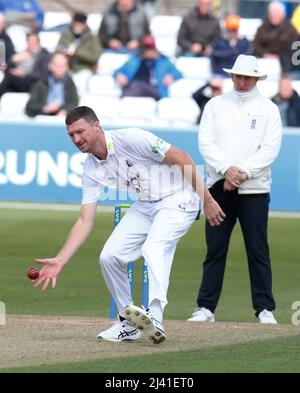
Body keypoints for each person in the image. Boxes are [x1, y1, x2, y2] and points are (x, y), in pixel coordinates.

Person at [32, 105, 225, 344]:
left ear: (96, 126)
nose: (76, 139)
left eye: (80, 132)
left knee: (153, 247)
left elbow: (183, 158)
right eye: (71, 135)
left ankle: (155, 315)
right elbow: (85, 220)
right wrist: (61, 259)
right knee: (109, 256)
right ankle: (128, 323)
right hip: (146, 204)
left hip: (179, 198)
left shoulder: (132, 138)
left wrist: (207, 200)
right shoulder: (90, 169)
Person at [187, 54, 282, 324]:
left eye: (247, 77)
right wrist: (227, 170)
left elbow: (270, 149)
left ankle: (264, 308)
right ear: (231, 76)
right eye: (238, 76)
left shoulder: (268, 109)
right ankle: (205, 307)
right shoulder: (216, 105)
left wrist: (241, 173)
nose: (242, 82)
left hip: (254, 190)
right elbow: (205, 143)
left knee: (257, 249)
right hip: (218, 187)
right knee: (215, 248)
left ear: (256, 79)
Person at [114, 35, 182, 100]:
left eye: (151, 48)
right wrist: (120, 76)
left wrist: (171, 76)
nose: (149, 51)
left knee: (137, 85)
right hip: (136, 90)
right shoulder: (135, 60)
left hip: (156, 90)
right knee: (136, 85)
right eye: (146, 49)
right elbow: (117, 72)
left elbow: (178, 73)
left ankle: (125, 98)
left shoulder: (163, 61)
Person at [25, 52, 79, 118]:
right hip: (44, 118)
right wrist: (45, 108)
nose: (62, 69)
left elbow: (74, 102)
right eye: (59, 66)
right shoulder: (41, 82)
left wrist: (65, 111)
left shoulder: (69, 83)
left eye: (64, 66)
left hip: (63, 118)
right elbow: (30, 106)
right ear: (51, 66)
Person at [0, 31, 50, 100]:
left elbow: (42, 73)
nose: (30, 43)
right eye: (29, 41)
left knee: (8, 78)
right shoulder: (23, 52)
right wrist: (13, 60)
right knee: (7, 78)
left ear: (38, 42)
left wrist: (24, 73)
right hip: (17, 79)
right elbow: (4, 68)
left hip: (32, 82)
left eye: (33, 41)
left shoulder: (44, 55)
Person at [253, 1, 298, 73]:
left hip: (286, 66)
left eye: (276, 13)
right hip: (264, 64)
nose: (273, 15)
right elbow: (255, 45)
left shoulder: (291, 29)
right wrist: (265, 54)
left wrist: (280, 56)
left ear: (283, 14)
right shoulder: (262, 28)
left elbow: (295, 48)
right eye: (272, 13)